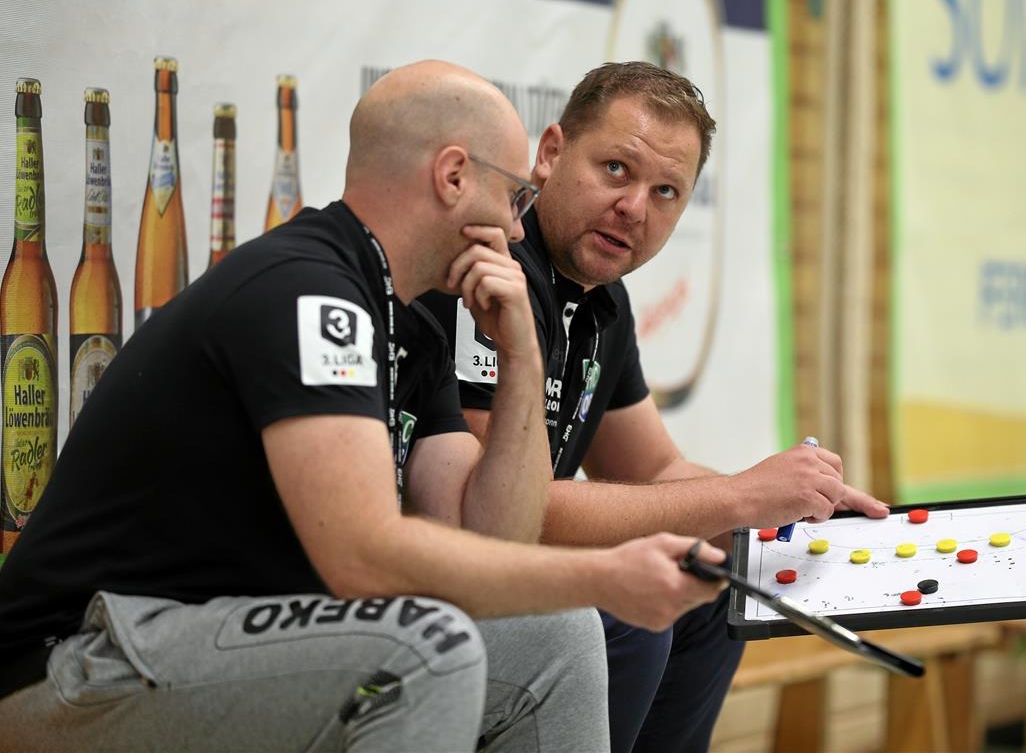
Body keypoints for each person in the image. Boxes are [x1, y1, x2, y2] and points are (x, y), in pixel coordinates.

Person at [0, 60, 726, 753]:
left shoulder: (409, 319)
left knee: (558, 633)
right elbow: (364, 559)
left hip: (219, 636)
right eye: (514, 198)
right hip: (77, 661)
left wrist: (521, 361)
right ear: (452, 177)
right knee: (420, 651)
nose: (513, 231)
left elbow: (491, 538)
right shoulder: (309, 289)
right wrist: (607, 576)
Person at [421, 61, 892, 753]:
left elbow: (654, 467)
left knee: (708, 592)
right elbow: (502, 512)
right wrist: (737, 499)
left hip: (507, 568)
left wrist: (784, 511)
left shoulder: (604, 301)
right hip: (438, 569)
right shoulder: (494, 267)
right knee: (634, 613)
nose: (635, 207)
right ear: (550, 154)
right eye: (616, 169)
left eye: (665, 191)